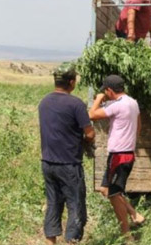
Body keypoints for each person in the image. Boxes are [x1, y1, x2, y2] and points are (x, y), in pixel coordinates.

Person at [38, 64, 94, 244]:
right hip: (69, 164)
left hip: (48, 162)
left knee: (53, 203)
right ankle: (71, 240)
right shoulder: (75, 104)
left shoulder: (44, 102)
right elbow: (90, 133)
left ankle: (50, 241)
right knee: (75, 205)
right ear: (71, 82)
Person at [88, 75, 143, 238]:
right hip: (127, 154)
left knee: (114, 194)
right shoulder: (133, 102)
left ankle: (126, 235)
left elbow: (92, 114)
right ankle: (134, 214)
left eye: (105, 91)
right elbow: (138, 127)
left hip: (119, 155)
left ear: (110, 90)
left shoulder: (117, 106)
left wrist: (98, 99)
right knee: (105, 189)